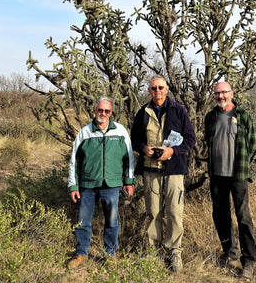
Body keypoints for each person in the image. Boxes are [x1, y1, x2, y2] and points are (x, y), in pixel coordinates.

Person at [131, 75, 196, 272]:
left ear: (166, 89)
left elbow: (190, 139)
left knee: (175, 213)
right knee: (154, 213)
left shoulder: (179, 110)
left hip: (174, 171)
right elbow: (134, 139)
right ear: (149, 91)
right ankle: (154, 251)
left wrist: (172, 151)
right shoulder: (143, 113)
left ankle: (175, 252)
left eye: (160, 88)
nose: (157, 91)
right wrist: (144, 149)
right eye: (153, 88)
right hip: (151, 171)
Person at [67, 96, 135, 268]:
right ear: (95, 110)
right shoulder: (85, 132)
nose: (103, 113)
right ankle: (81, 253)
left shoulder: (120, 131)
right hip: (87, 185)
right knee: (83, 221)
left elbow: (129, 158)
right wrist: (73, 186)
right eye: (100, 110)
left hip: (112, 185)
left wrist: (129, 181)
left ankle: (109, 254)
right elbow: (75, 161)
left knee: (111, 221)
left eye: (107, 111)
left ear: (111, 112)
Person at [204, 81, 256, 280]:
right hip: (217, 174)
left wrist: (242, 165)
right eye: (217, 93)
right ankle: (230, 252)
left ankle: (249, 260)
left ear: (232, 93)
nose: (220, 96)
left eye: (224, 92)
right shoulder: (211, 117)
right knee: (220, 214)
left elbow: (252, 143)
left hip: (238, 175)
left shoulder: (242, 116)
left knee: (243, 215)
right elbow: (208, 140)